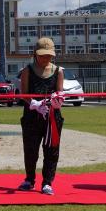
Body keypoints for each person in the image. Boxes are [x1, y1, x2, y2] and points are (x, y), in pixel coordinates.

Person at [17, 37, 65, 195]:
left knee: (52, 149)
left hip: (52, 116)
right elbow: (23, 94)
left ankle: (47, 182)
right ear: (35, 54)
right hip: (31, 115)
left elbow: (59, 92)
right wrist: (35, 104)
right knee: (30, 149)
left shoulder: (58, 71)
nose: (45, 58)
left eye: (49, 56)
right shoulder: (27, 71)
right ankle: (29, 179)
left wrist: (58, 100)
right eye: (42, 55)